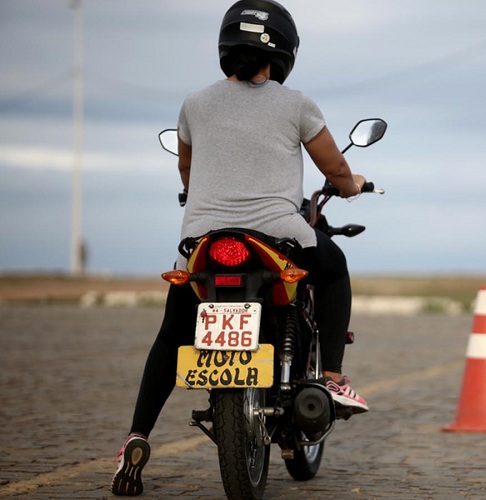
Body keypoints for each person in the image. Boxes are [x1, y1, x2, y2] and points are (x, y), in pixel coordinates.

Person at [111, 1, 367, 495]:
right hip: (277, 235)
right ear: (284, 51)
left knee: (172, 332)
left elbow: (187, 171)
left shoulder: (194, 104)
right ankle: (333, 377)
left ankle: (136, 436)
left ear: (226, 48)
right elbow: (335, 172)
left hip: (203, 240)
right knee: (334, 269)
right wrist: (352, 183)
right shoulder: (296, 104)